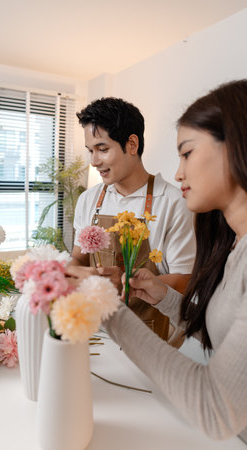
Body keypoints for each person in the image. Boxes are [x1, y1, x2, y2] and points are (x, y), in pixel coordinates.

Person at [94, 80, 247, 443]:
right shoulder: (233, 245)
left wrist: (107, 308)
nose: (178, 173)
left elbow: (216, 410)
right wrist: (162, 295)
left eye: (187, 153)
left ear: (237, 147)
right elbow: (220, 333)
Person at [70, 97, 196, 342]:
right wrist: (69, 275)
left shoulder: (173, 202)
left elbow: (185, 280)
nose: (94, 162)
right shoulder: (89, 200)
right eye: (90, 151)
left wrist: (127, 284)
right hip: (97, 330)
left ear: (131, 144)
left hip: (154, 334)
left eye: (102, 149)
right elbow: (78, 257)